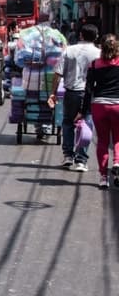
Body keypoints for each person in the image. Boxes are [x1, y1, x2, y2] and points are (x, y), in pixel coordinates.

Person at [49, 24, 99, 172]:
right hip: (90, 94)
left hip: (71, 93)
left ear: (81, 35)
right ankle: (81, 160)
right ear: (95, 37)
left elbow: (57, 74)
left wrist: (53, 93)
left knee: (68, 123)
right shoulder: (98, 53)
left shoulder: (69, 51)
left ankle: (68, 156)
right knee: (87, 125)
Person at [13, 13, 68, 142]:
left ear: (37, 21)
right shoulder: (57, 34)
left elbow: (18, 59)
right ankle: (45, 126)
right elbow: (65, 53)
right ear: (49, 21)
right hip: (51, 79)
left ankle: (39, 127)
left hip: (30, 79)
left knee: (32, 101)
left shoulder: (26, 33)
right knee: (49, 100)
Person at [81, 33, 119, 189]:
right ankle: (117, 162)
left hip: (99, 106)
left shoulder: (94, 64)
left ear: (100, 47)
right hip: (118, 105)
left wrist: (83, 111)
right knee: (118, 139)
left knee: (102, 141)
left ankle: (103, 178)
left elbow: (88, 89)